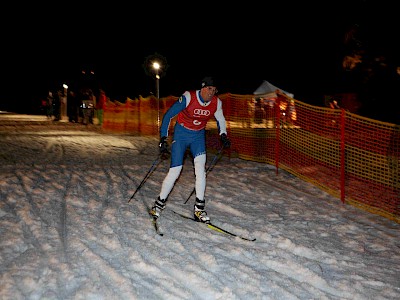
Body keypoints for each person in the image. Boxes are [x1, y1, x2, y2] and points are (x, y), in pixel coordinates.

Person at [150, 76, 231, 223]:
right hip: (181, 134)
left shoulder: (216, 103)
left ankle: (199, 209)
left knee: (200, 170)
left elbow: (221, 120)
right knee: (175, 170)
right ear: (202, 87)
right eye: (209, 89)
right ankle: (158, 205)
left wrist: (223, 134)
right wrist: (163, 138)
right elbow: (168, 115)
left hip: (198, 137)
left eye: (214, 90)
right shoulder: (189, 97)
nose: (211, 92)